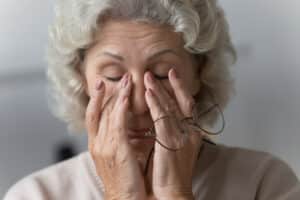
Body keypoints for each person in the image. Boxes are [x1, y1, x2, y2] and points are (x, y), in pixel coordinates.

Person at [4, 0, 300, 199]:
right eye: (113, 76)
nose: (139, 104)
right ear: (80, 77)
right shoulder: (35, 195)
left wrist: (175, 193)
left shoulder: (265, 183)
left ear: (200, 72)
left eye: (160, 75)